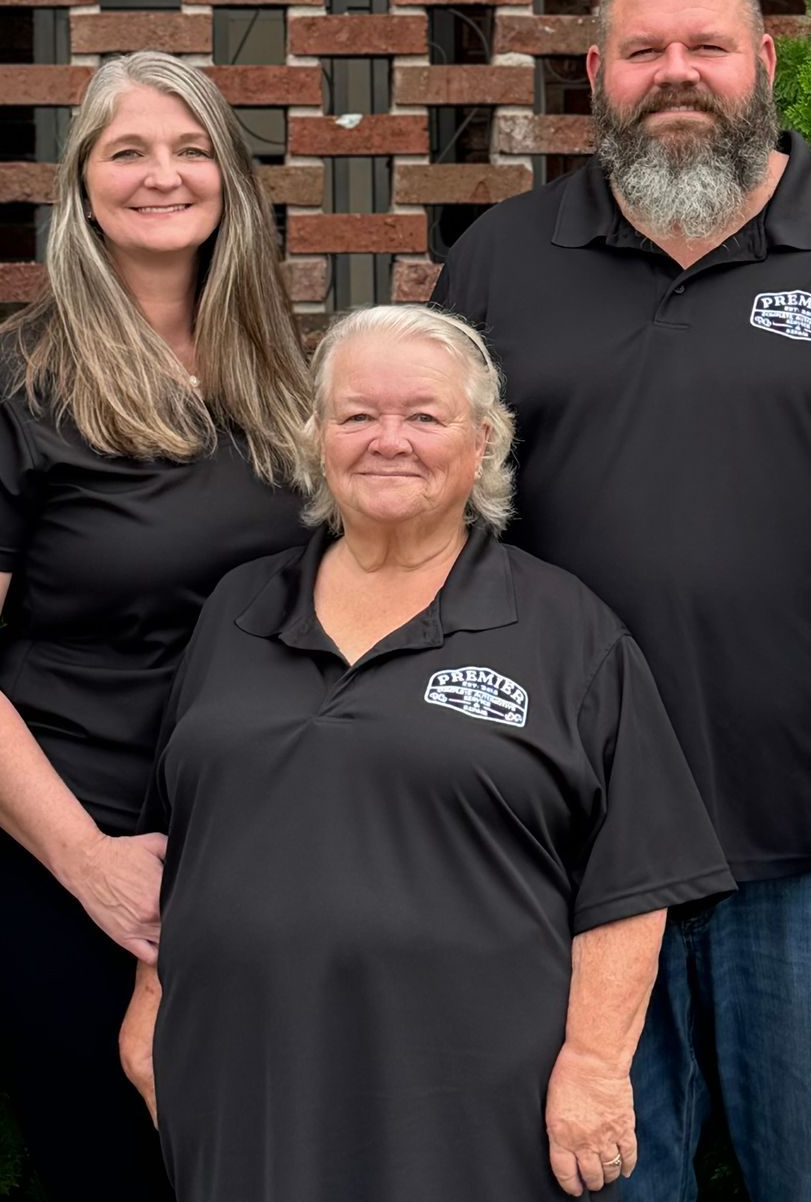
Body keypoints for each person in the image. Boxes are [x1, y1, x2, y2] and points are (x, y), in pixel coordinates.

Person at [433, 0, 811, 1199]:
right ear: (597, 73)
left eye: (706, 46)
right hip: (571, 854)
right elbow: (443, 535)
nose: (677, 74)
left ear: (765, 61)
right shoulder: (500, 262)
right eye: (645, 51)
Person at [119, 304, 735, 1202]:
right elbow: (185, 834)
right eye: (357, 415)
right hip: (243, 1075)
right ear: (318, 438)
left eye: (424, 416)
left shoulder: (565, 630)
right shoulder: (238, 609)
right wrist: (149, 1004)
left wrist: (597, 1067)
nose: (387, 440)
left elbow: (633, 878)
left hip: (467, 1095)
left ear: (483, 441)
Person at [0, 51, 312, 1196]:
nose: (161, 175)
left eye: (190, 149)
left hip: (251, 850)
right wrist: (89, 864)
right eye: (127, 150)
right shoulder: (13, 382)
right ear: (81, 186)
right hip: (71, 861)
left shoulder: (280, 373)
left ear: (231, 178)